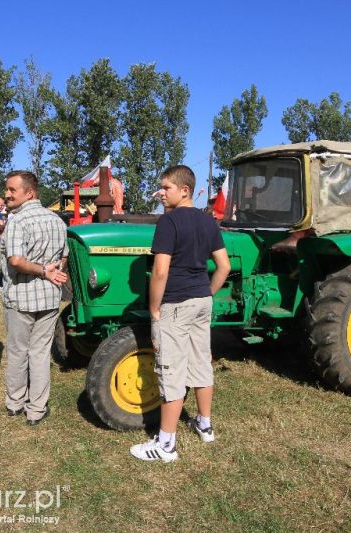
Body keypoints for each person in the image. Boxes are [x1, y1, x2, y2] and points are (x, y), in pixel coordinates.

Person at [130, 165, 230, 463]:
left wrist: (153, 308)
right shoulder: (208, 221)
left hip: (175, 303)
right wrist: (208, 293)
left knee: (171, 371)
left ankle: (166, 445)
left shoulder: (168, 222)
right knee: (201, 362)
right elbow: (223, 266)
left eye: (166, 188)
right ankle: (205, 424)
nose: (161, 192)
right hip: (201, 300)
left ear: (184, 190)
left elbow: (160, 271)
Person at [0, 171, 68, 425]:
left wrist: (41, 270)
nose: (7, 194)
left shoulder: (17, 220)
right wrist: (51, 270)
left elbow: (15, 261)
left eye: (11, 190)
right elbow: (63, 256)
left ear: (29, 192)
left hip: (22, 296)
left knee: (18, 351)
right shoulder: (57, 220)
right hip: (49, 297)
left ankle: (15, 402)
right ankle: (37, 409)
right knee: (39, 353)